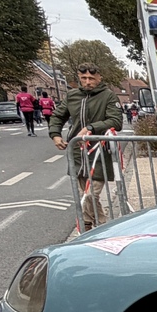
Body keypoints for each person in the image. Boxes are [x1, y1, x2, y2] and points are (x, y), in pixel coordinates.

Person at [50, 64, 123, 230]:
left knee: (91, 194)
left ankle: (95, 225)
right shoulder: (72, 96)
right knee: (86, 195)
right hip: (77, 153)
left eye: (91, 78)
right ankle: (96, 226)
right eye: (84, 78)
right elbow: (57, 116)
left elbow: (116, 121)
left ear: (99, 78)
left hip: (99, 152)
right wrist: (55, 134)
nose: (88, 82)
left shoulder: (108, 96)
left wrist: (91, 128)